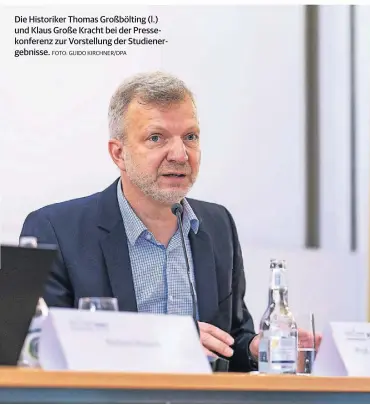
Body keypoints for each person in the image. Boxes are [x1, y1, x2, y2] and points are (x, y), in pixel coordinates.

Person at [20, 71, 320, 372]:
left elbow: (229, 342)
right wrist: (169, 342)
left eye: (190, 137)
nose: (180, 154)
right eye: (156, 138)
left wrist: (256, 348)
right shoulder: (55, 230)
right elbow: (44, 351)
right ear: (118, 153)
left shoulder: (218, 225)